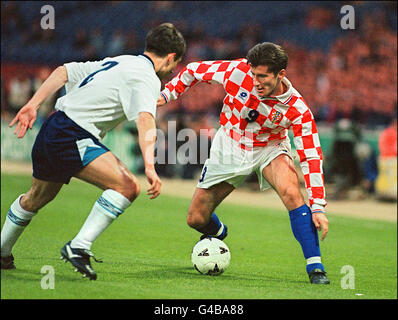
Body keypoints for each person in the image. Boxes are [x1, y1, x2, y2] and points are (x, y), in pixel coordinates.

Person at [1, 23, 186, 280]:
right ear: (171, 57)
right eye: (175, 64)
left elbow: (62, 71)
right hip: (73, 133)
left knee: (35, 198)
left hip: (54, 125)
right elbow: (145, 119)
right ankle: (80, 246)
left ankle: (2, 251)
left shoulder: (119, 61)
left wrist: (33, 105)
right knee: (127, 187)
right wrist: (150, 166)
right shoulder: (147, 77)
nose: (173, 70)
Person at [158, 42, 330, 284]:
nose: (256, 81)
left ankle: (316, 268)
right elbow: (194, 70)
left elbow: (311, 156)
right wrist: (168, 94)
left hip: (270, 147)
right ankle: (219, 232)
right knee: (196, 219)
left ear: (281, 74)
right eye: (254, 74)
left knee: (292, 193)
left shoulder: (297, 110)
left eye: (263, 76)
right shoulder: (238, 71)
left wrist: (319, 206)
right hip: (230, 145)